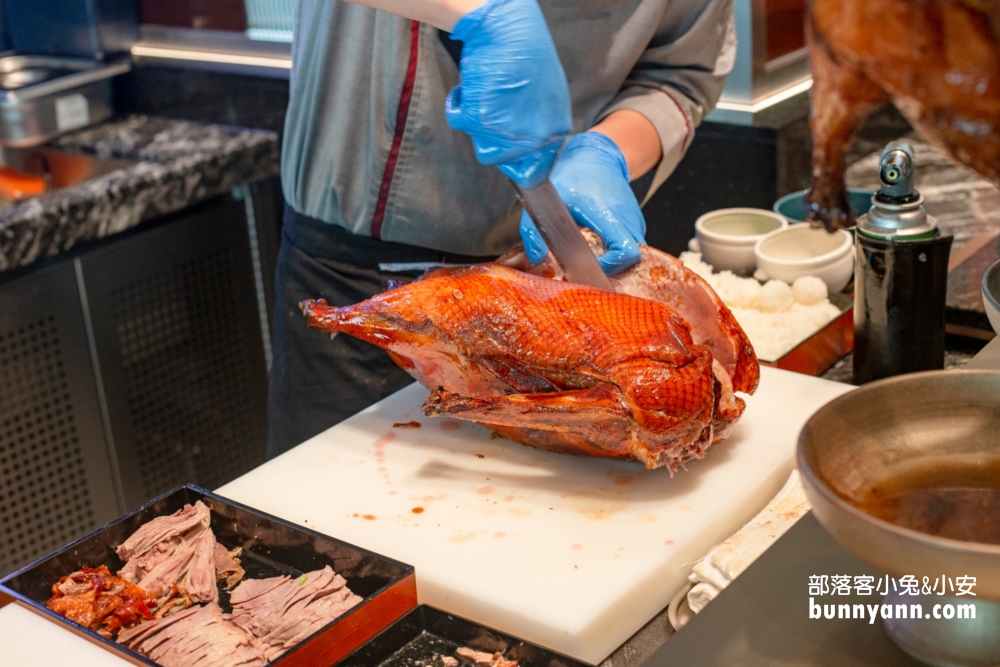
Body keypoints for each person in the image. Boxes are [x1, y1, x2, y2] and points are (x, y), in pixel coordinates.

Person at [269, 0, 736, 458]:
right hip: (354, 271)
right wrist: (478, 9)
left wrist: (607, 149)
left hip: (555, 291)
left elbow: (679, 71)